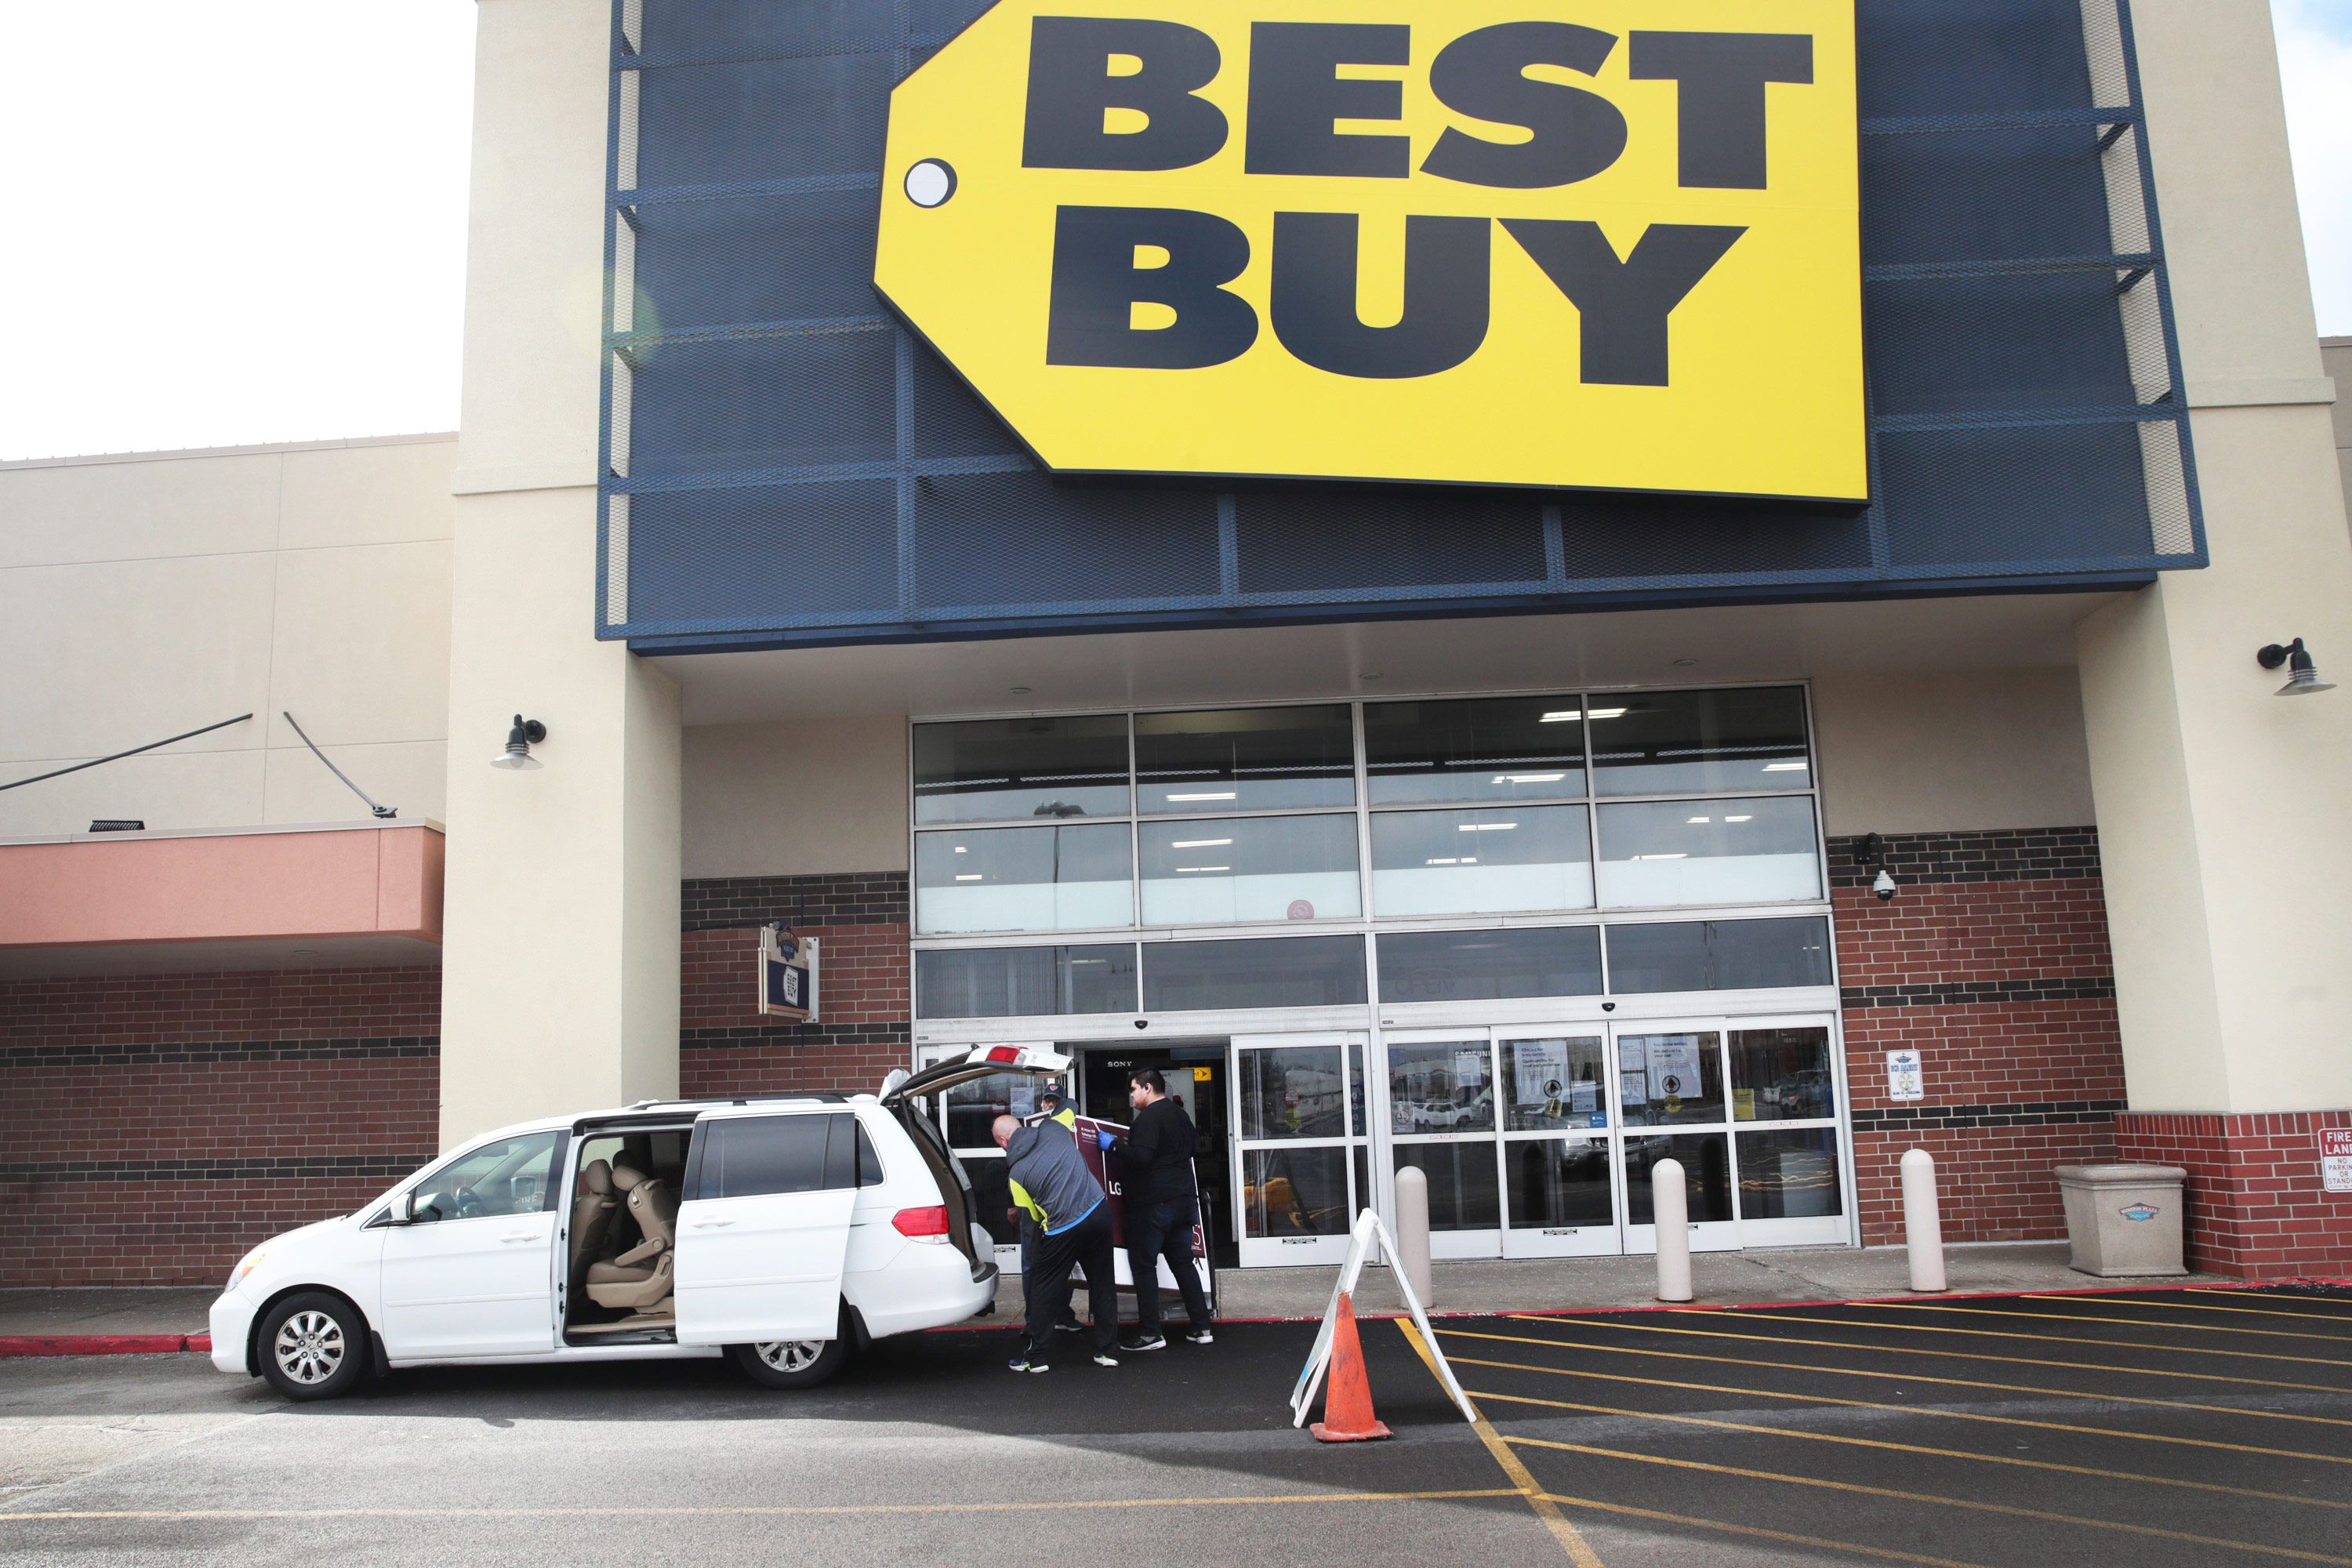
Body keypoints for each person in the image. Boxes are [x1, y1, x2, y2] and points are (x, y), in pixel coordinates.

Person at [1099, 1068, 1214, 1352]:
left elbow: (1141, 1157)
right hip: (1184, 1200)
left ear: (1148, 1088)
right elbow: (1190, 1150)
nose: (1132, 1096)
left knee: (1143, 1265)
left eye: (1134, 1089)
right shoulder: (1180, 1115)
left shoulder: (1148, 1118)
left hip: (1153, 1204)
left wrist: (1112, 1146)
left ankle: (1151, 1332)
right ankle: (1202, 1326)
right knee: (1183, 1263)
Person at [995, 1111, 1120, 1373]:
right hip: (1098, 1211)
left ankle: (1036, 1357)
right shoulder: (1053, 1127)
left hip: (1063, 1228)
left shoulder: (1015, 1175)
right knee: (1103, 1284)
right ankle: (1108, 1352)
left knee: (1043, 1288)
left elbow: (1033, 1215)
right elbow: (1070, 1105)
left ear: (1004, 1142)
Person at [1016, 1088, 1083, 1337]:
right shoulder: (1028, 1131)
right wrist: (1012, 1204)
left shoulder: (1068, 1130)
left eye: (1054, 1102)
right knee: (1031, 1265)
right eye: (1046, 1100)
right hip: (1031, 1208)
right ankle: (1033, 1319)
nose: (1048, 1105)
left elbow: (1073, 1104)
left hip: (1059, 1208)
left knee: (1063, 1263)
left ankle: (1063, 1315)